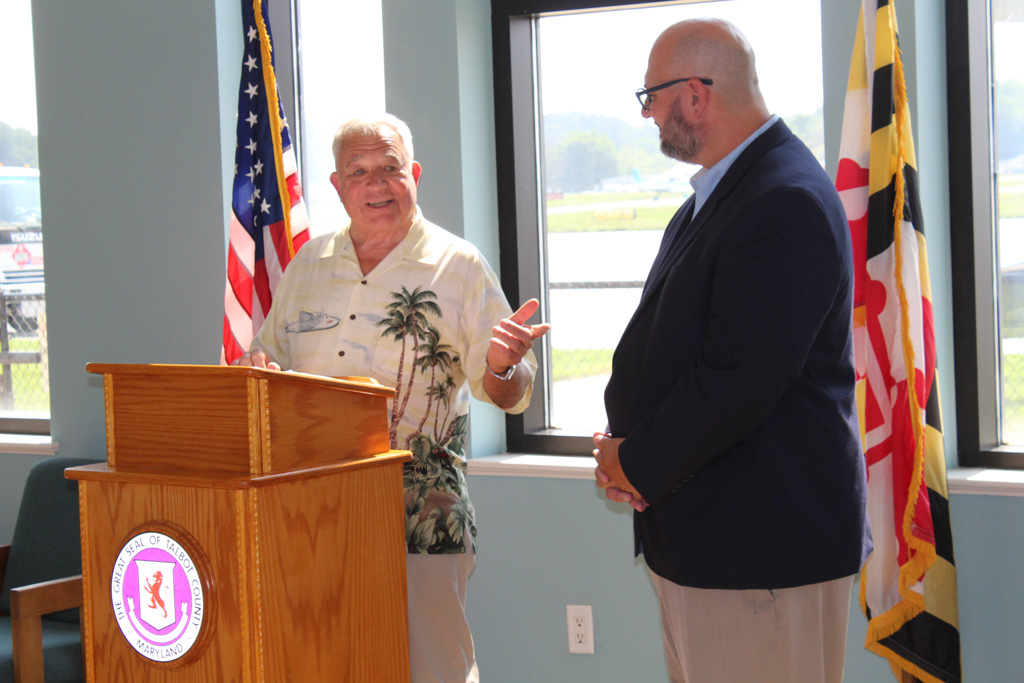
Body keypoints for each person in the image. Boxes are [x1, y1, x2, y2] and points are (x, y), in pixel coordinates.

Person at [593, 19, 871, 682]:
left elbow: (737, 382)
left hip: (759, 552)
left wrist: (636, 461)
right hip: (708, 541)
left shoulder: (783, 200)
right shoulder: (723, 194)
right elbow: (680, 354)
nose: (648, 115)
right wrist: (629, 454)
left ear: (695, 95)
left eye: (652, 97)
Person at [237, 113, 549, 682]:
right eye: (359, 171)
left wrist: (503, 365)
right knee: (326, 663)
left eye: (390, 168)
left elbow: (510, 393)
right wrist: (255, 370)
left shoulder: (458, 266)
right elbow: (266, 364)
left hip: (422, 513)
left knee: (433, 669)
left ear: (415, 175)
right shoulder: (307, 265)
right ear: (337, 186)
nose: (376, 184)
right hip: (309, 514)